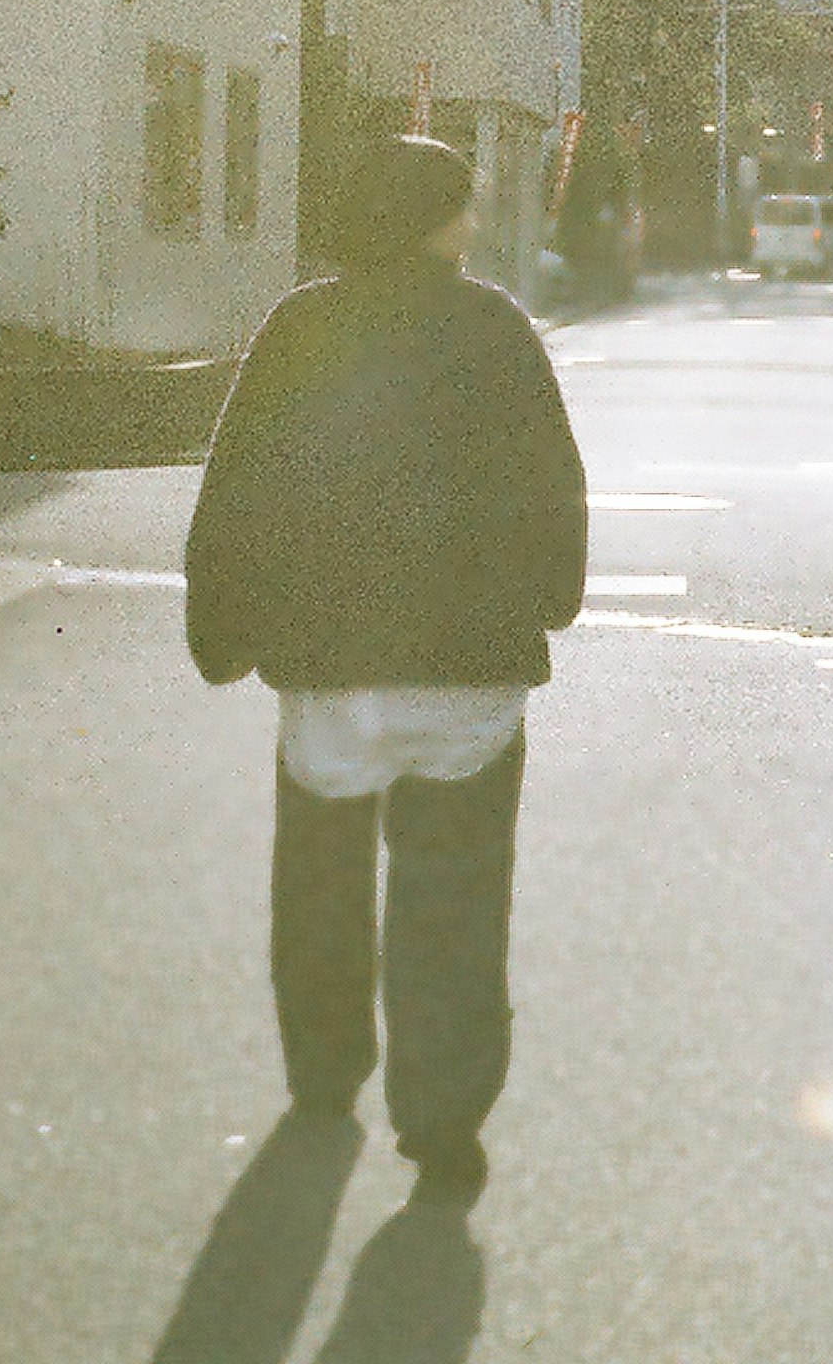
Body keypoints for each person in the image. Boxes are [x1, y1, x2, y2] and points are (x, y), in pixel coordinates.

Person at [185, 135, 590, 1205]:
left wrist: (223, 627)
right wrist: (552, 594)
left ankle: (326, 1074)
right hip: (468, 671)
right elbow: (553, 483)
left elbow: (240, 485)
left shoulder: (301, 327)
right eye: (464, 204)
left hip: (333, 666)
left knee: (321, 886)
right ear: (439, 219)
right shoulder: (495, 329)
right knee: (453, 900)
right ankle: (444, 1116)